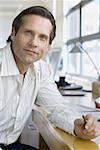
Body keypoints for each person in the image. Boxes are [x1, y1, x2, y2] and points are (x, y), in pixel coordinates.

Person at [0, 5, 100, 150]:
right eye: (28, 33)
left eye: (42, 38)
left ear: (48, 45)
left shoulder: (41, 69)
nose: (34, 43)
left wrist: (78, 125)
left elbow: (56, 107)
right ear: (13, 33)